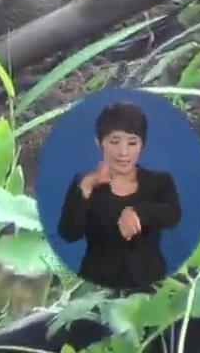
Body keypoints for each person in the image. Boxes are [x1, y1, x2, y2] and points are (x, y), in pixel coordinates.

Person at [57, 100, 182, 292]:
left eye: (132, 143)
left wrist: (137, 211)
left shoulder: (159, 182)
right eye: (114, 142)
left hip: (150, 285)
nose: (123, 152)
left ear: (142, 145)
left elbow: (173, 215)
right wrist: (85, 188)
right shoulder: (84, 184)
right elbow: (69, 233)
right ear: (100, 143)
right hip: (98, 287)